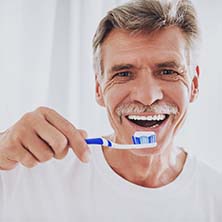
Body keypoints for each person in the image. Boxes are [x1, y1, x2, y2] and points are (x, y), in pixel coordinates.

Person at [0, 0, 221, 221]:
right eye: (124, 74)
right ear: (99, 88)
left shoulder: (215, 199)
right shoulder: (32, 172)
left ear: (194, 84)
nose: (147, 96)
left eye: (167, 71)